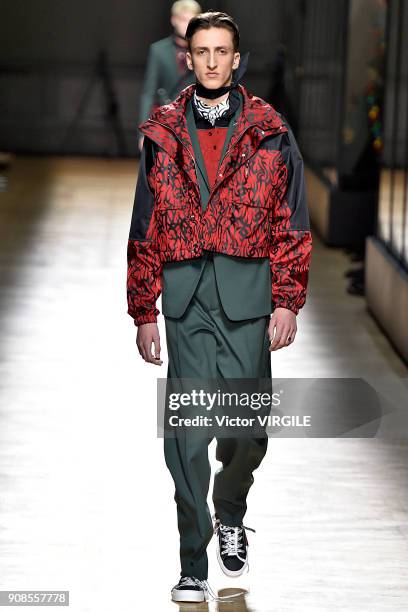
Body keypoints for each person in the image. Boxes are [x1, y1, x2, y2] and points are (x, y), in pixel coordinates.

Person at [127, 10, 313, 604]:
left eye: (221, 51)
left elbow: (292, 221)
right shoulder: (162, 133)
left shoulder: (270, 130)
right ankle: (193, 560)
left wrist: (288, 299)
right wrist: (144, 309)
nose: (210, 61)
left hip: (248, 294)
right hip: (185, 296)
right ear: (189, 58)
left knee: (245, 428)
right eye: (200, 50)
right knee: (185, 435)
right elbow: (143, 225)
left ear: (237, 60)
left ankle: (231, 511)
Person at [138, 0, 202, 152]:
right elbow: (149, 92)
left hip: (196, 126)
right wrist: (143, 131)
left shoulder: (204, 51)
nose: (188, 25)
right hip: (165, 125)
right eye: (183, 19)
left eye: (192, 20)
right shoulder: (158, 50)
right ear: (174, 20)